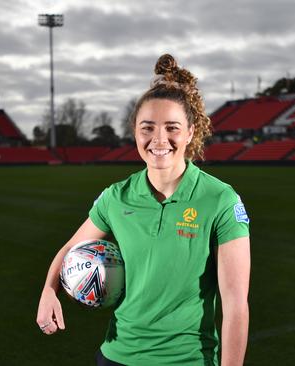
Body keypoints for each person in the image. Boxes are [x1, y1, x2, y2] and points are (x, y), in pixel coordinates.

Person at [36, 54, 251, 366]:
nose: (158, 139)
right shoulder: (116, 196)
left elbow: (236, 306)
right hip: (116, 356)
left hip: (187, 361)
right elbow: (71, 247)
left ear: (190, 132)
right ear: (135, 132)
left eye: (172, 128)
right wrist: (48, 290)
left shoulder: (220, 200)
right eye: (147, 127)